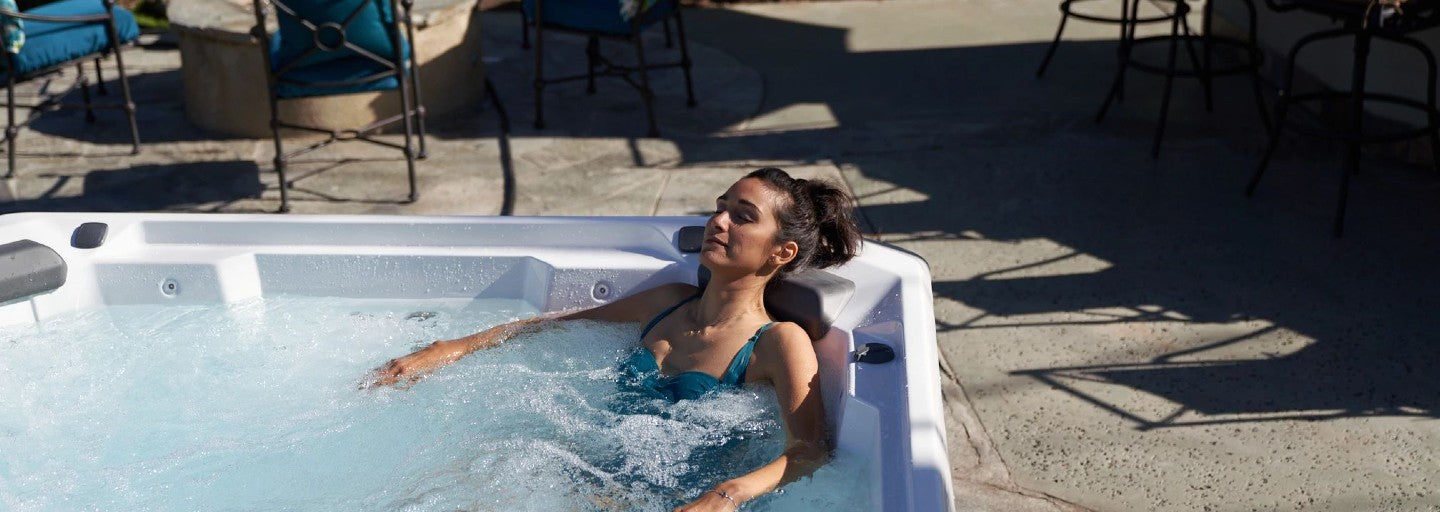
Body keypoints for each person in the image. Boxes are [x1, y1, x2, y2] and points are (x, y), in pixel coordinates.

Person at [367, 167, 862, 512]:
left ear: (781, 252)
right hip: (586, 478)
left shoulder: (778, 341)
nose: (718, 221)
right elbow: (559, 324)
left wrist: (726, 496)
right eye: (720, 208)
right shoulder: (664, 302)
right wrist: (450, 348)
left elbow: (811, 449)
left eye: (743, 215)